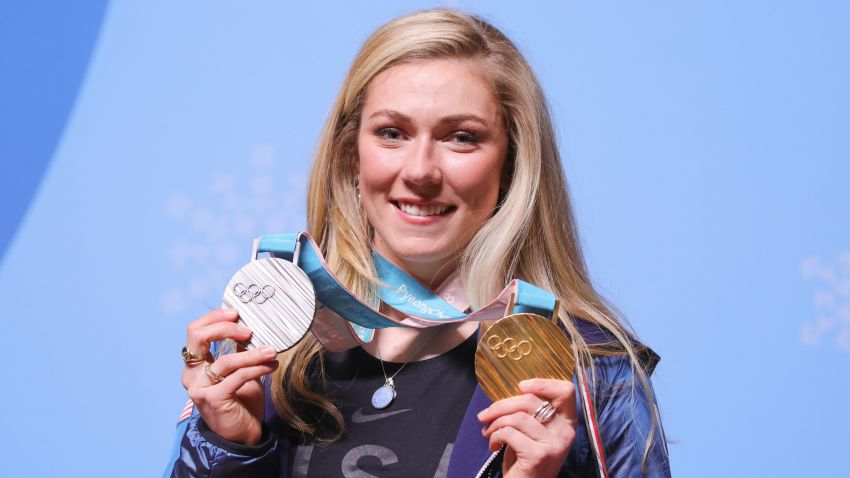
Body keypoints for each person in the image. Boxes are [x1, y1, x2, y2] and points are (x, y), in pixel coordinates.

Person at [165, 8, 671, 478]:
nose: (421, 171)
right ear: (350, 156)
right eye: (392, 133)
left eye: (461, 137)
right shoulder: (274, 350)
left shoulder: (588, 375)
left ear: (512, 165)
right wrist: (228, 447)